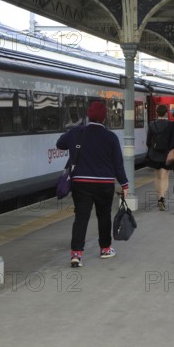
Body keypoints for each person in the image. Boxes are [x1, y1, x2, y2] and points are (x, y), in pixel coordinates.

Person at [56, 101, 128, 268]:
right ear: (105, 118)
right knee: (104, 216)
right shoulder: (111, 137)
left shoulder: (77, 132)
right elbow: (118, 164)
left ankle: (76, 254)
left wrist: (74, 135)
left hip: (81, 183)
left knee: (81, 217)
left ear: (88, 116)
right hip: (104, 184)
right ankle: (105, 249)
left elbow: (60, 144)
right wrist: (124, 184)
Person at [146, 104, 171, 211]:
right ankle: (162, 198)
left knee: (157, 177)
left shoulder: (152, 124)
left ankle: (158, 199)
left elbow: (148, 141)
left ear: (156, 113)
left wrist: (152, 147)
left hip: (155, 154)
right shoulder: (170, 124)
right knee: (165, 177)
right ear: (166, 113)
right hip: (166, 154)